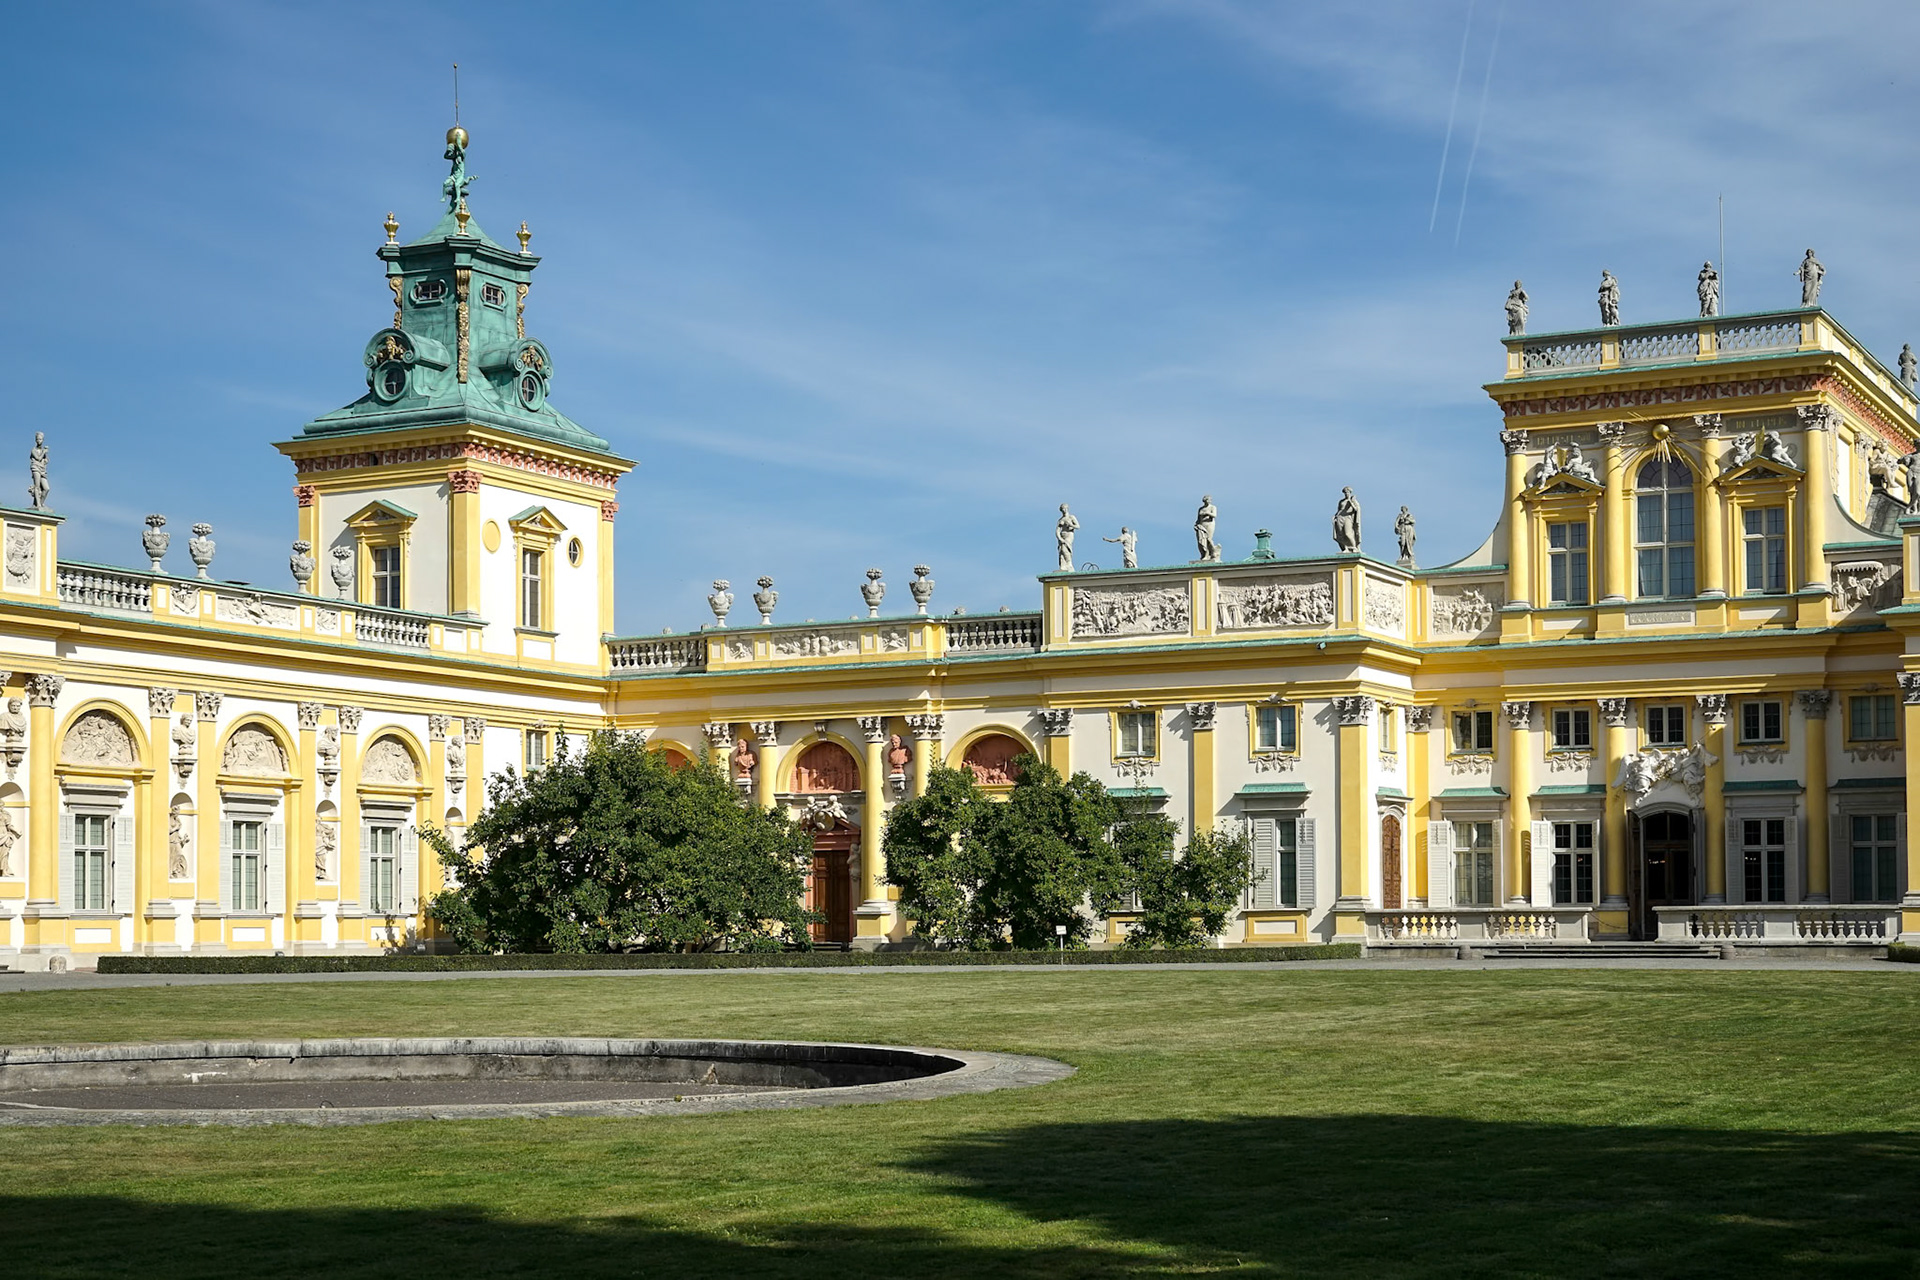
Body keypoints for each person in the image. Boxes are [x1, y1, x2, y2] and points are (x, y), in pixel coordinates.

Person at [1333, 487, 1362, 552]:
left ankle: (1353, 547)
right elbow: (1339, 510)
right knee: (1340, 534)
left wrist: (1351, 503)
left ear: (1350, 493)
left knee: (1347, 533)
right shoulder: (1341, 501)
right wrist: (1335, 516)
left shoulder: (1353, 501)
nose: (1346, 494)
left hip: (1348, 518)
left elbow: (1356, 509)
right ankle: (1345, 548)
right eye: (1345, 493)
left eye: (1347, 492)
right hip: (1340, 518)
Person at [1193, 496, 1220, 563]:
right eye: (1207, 500)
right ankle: (1204, 555)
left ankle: (1213, 553)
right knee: (1201, 540)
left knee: (1208, 539)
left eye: (1209, 500)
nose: (1208, 501)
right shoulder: (1200, 508)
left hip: (1209, 524)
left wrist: (1206, 513)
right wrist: (1196, 524)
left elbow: (1214, 515)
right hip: (1202, 525)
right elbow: (1198, 519)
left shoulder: (1212, 507)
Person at [1055, 504, 1079, 572]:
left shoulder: (1071, 517)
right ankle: (1063, 566)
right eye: (1062, 509)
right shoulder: (1060, 520)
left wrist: (1071, 525)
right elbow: (1057, 530)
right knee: (1061, 551)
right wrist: (1059, 538)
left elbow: (1078, 526)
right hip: (1062, 536)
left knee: (1065, 548)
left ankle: (1069, 564)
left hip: (1069, 535)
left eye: (1065, 508)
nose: (1064, 510)